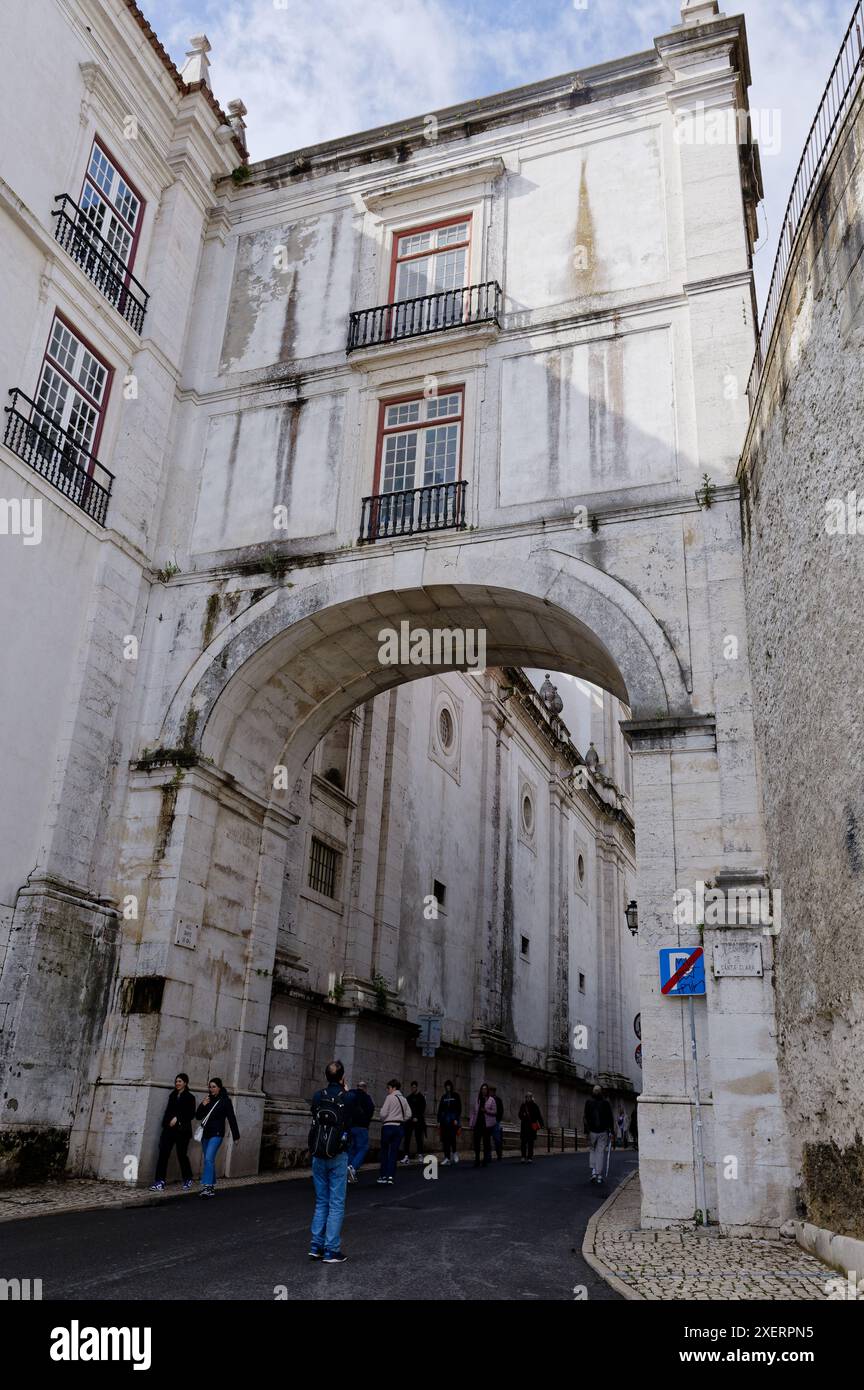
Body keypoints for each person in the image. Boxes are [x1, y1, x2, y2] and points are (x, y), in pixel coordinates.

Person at [308, 1059, 356, 1262]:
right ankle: (331, 1250)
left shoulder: (318, 1096)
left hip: (318, 1153)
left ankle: (315, 1246)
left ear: (326, 1077)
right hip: (338, 1153)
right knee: (336, 1203)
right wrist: (347, 1091)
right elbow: (353, 1120)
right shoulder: (349, 1097)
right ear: (342, 1077)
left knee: (321, 1202)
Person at [150, 1073, 197, 1190]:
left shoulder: (190, 1097)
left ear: (185, 1083)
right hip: (169, 1130)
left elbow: (191, 1114)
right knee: (163, 1154)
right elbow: (167, 1111)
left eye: (180, 1081)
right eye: (176, 1081)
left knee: (182, 1156)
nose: (177, 1083)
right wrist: (165, 1125)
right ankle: (159, 1181)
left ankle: (188, 1178)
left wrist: (178, 1118)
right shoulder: (172, 1095)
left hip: (182, 1131)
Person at [195, 1077, 240, 1198]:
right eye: (210, 1087)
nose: (211, 1089)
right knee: (208, 1160)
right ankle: (211, 1185)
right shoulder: (208, 1099)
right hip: (206, 1135)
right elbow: (198, 1116)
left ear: (219, 1087)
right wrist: (202, 1105)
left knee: (209, 1158)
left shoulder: (225, 1101)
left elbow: (231, 1118)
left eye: (214, 1086)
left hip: (217, 1134)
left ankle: (208, 1187)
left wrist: (236, 1136)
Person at [377, 1079, 410, 1185]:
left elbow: (383, 1113)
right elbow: (409, 1114)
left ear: (393, 1087)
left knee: (385, 1151)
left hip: (388, 1126)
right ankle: (391, 1176)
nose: (388, 1090)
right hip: (399, 1127)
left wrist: (385, 1119)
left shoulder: (390, 1097)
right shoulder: (404, 1099)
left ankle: (383, 1176)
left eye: (389, 1088)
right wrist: (401, 1119)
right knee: (394, 1152)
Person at [584, 1085, 614, 1186]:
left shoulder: (588, 1102)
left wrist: (586, 1131)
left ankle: (593, 1172)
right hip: (602, 1131)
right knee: (600, 1152)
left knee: (592, 1150)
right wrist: (611, 1131)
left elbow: (585, 1117)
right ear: (601, 1092)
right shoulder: (606, 1103)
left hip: (592, 1131)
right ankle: (599, 1174)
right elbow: (610, 1117)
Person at [347, 1079, 374, 1183]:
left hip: (350, 1126)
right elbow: (371, 1110)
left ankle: (349, 1171)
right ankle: (353, 1167)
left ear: (357, 1086)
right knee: (363, 1148)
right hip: (362, 1127)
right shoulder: (367, 1098)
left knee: (351, 1149)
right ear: (365, 1088)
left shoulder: (351, 1095)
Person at [470, 1083, 496, 1167]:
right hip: (478, 1123)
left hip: (486, 1125)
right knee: (476, 1142)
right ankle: (477, 1160)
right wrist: (471, 1123)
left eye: (485, 1089)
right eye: (482, 1089)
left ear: (487, 1090)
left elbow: (495, 1112)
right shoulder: (478, 1099)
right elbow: (473, 1112)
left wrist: (486, 1111)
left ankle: (485, 1160)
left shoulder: (491, 1100)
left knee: (486, 1143)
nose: (484, 1090)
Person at [400, 1081, 427, 1164]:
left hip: (418, 1121)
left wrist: (417, 1117)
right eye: (412, 1087)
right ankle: (406, 1156)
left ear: (417, 1087)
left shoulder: (421, 1097)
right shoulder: (408, 1098)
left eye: (414, 1087)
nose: (413, 1089)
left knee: (418, 1138)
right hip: (409, 1120)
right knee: (407, 1138)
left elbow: (422, 1109)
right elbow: (406, 1109)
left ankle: (420, 1155)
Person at [437, 1080, 462, 1165]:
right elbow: (440, 1109)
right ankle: (447, 1157)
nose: (448, 1087)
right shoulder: (444, 1097)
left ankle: (454, 1152)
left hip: (452, 1120)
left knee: (452, 1138)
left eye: (449, 1086)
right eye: (446, 1086)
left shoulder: (456, 1096)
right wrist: (438, 1121)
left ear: (451, 1086)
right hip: (444, 1121)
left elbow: (459, 1108)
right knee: (445, 1140)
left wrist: (456, 1119)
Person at [518, 1092, 544, 1164]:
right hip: (524, 1127)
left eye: (529, 1097)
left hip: (532, 1127)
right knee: (523, 1142)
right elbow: (519, 1114)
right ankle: (523, 1156)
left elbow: (538, 1115)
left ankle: (529, 1157)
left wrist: (541, 1124)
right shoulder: (523, 1105)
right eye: (527, 1097)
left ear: (531, 1097)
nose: (528, 1098)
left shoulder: (535, 1106)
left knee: (530, 1143)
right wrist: (522, 1115)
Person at [490, 1085, 505, 1159]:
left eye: (492, 1091)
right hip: (488, 1122)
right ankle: (488, 1156)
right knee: (488, 1139)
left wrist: (498, 1119)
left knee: (497, 1139)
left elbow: (501, 1110)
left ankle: (499, 1154)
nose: (491, 1092)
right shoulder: (487, 1099)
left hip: (495, 1121)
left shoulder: (498, 1100)